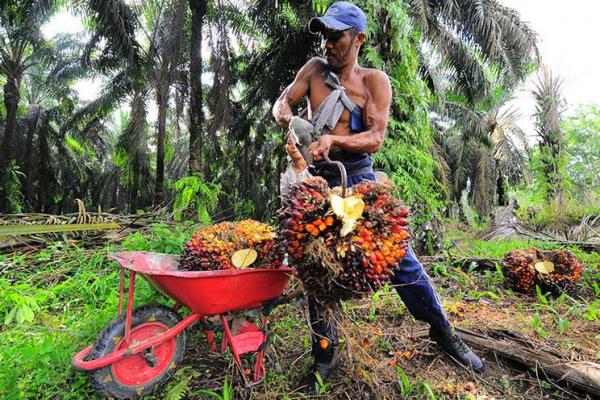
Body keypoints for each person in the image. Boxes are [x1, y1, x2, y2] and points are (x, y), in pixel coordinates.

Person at [272, 1, 485, 392]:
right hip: (317, 181)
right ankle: (325, 354)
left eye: (336, 36)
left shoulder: (374, 82)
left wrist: (335, 138)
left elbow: (375, 137)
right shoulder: (313, 71)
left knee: (402, 263)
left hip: (359, 179)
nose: (329, 44)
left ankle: (445, 335)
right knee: (317, 265)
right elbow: (282, 102)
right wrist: (288, 117)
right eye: (325, 36)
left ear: (358, 39)